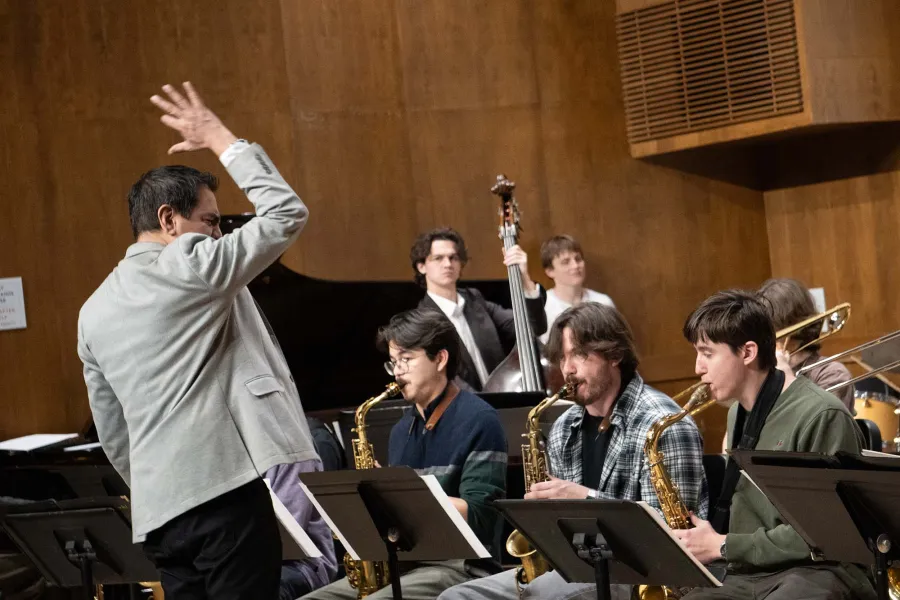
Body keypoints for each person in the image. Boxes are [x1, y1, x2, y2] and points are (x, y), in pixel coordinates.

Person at [77, 82, 319, 600]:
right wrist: (219, 137)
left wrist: (162, 485)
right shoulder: (191, 264)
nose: (218, 234)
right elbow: (285, 213)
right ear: (170, 219)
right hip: (224, 497)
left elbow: (113, 433)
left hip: (160, 515)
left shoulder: (91, 311)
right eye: (211, 221)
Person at [438, 303, 708, 600]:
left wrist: (584, 498)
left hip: (640, 576)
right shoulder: (563, 427)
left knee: (543, 594)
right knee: (457, 597)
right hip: (576, 566)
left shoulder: (664, 424)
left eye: (579, 354)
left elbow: (672, 536)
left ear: (615, 354)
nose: (568, 369)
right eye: (562, 357)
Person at [675, 290, 875, 600]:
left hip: (820, 570)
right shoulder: (736, 413)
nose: (698, 368)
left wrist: (723, 545)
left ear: (747, 352)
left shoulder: (822, 414)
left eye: (707, 353)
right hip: (753, 572)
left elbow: (825, 534)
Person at [301, 308, 508, 600]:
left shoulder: (480, 419)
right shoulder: (401, 430)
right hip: (407, 564)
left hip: (463, 566)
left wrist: (403, 496)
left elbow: (481, 516)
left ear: (440, 359)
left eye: (407, 359)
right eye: (393, 362)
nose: (397, 371)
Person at [412, 228, 547, 391]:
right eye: (438, 258)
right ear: (421, 267)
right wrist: (487, 403)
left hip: (502, 396)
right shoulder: (422, 321)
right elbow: (448, 379)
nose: (448, 264)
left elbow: (533, 327)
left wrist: (524, 278)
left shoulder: (475, 300)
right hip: (470, 404)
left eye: (453, 258)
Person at [757, 278, 855, 413]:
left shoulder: (833, 374)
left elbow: (817, 421)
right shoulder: (763, 374)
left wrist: (786, 380)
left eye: (772, 328)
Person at [538, 235, 615, 344]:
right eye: (566, 262)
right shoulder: (542, 307)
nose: (575, 266)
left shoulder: (603, 302)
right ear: (550, 271)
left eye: (578, 259)